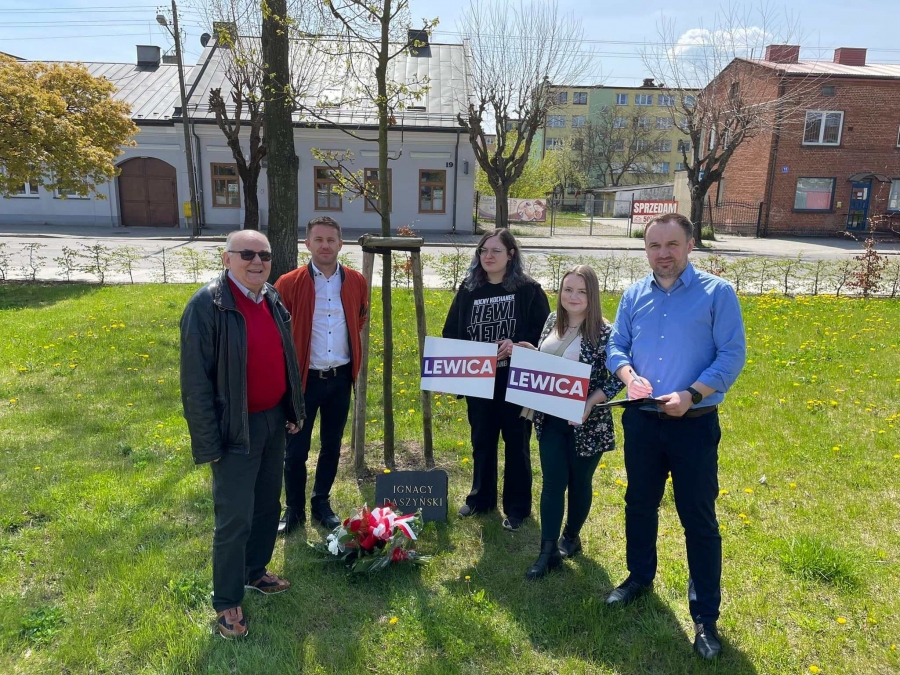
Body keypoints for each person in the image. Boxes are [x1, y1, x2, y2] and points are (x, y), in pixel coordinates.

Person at [605, 213, 746, 660]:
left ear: (689, 245)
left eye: (671, 244)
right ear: (646, 249)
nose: (662, 254)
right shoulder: (634, 295)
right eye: (654, 246)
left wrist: (691, 394)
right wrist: (628, 375)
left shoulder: (717, 293)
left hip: (694, 423)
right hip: (643, 420)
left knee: (698, 518)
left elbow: (732, 355)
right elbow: (616, 346)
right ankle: (639, 578)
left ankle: (705, 616)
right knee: (639, 504)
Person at [180, 230, 306, 639]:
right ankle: (227, 600)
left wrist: (292, 409)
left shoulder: (271, 297)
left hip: (272, 420)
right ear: (226, 259)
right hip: (234, 429)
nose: (257, 262)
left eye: (264, 255)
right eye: (247, 254)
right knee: (234, 517)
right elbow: (195, 383)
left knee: (268, 504)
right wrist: (209, 443)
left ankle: (255, 571)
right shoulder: (207, 305)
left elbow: (285, 358)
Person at [516, 265, 624, 579]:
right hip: (550, 418)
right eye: (567, 290)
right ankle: (547, 552)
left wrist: (591, 402)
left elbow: (619, 378)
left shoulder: (606, 332)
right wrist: (531, 353)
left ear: (593, 295)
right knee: (552, 483)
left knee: (579, 483)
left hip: (587, 423)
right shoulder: (553, 320)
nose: (573, 297)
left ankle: (571, 537)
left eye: (581, 291)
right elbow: (549, 363)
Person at [442, 228, 550, 531]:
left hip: (516, 381)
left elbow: (545, 336)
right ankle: (481, 498)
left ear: (511, 255)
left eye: (495, 251)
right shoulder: (469, 289)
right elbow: (451, 332)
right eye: (483, 251)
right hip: (478, 380)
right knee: (482, 441)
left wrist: (518, 346)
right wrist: (453, 369)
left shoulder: (528, 290)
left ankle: (517, 508)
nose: (488, 256)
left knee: (517, 444)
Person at [274, 216, 369, 533]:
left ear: (341, 243)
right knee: (295, 451)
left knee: (331, 445)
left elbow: (359, 318)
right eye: (318, 239)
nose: (325, 245)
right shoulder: (288, 283)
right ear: (307, 244)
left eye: (331, 240)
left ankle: (321, 503)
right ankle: (294, 509)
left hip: (340, 379)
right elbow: (278, 331)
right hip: (303, 381)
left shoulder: (356, 281)